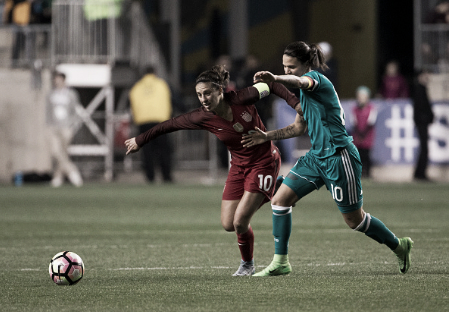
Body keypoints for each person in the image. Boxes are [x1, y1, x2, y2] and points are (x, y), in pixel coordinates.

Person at [241, 41, 413, 276]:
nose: (288, 70)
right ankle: (281, 262)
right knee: (280, 201)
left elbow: (301, 81)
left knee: (355, 221)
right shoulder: (303, 93)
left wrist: (277, 79)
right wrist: (266, 136)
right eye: (284, 66)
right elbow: (298, 128)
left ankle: (399, 245)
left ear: (305, 65)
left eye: (291, 67)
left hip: (339, 158)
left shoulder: (316, 80)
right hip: (316, 158)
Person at [125, 65, 300, 276]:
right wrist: (140, 140)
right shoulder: (201, 117)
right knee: (228, 224)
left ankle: (247, 265)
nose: (203, 99)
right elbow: (169, 125)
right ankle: (276, 188)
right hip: (238, 166)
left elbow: (271, 86)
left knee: (240, 221)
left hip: (263, 161)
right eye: (199, 95)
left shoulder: (243, 97)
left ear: (220, 90)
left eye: (207, 93)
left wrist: (296, 104)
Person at [129, 66, 173, 183]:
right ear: (155, 72)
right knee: (163, 150)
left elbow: (132, 104)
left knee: (147, 151)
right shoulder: (162, 84)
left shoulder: (137, 87)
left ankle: (150, 177)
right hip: (160, 121)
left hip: (143, 122)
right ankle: (166, 176)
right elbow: (171, 99)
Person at [46, 71, 83, 187]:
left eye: (58, 79)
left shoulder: (71, 94)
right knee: (56, 151)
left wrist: (72, 125)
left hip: (66, 127)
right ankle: (72, 172)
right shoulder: (51, 94)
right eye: (55, 79)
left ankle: (58, 177)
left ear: (63, 80)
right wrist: (48, 125)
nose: (56, 81)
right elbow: (48, 111)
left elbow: (75, 111)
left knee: (63, 152)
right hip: (54, 127)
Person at [412, 70, 434, 181]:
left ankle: (419, 173)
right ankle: (420, 173)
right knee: (424, 148)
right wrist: (427, 118)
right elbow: (421, 108)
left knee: (424, 148)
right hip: (422, 123)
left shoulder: (421, 89)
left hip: (422, 123)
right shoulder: (419, 89)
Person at [352, 86, 377, 178]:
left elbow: (371, 122)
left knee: (367, 154)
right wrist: (359, 134)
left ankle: (368, 172)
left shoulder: (371, 108)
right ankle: (360, 172)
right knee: (359, 154)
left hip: (367, 135)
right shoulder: (355, 109)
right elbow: (354, 122)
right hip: (358, 135)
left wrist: (363, 134)